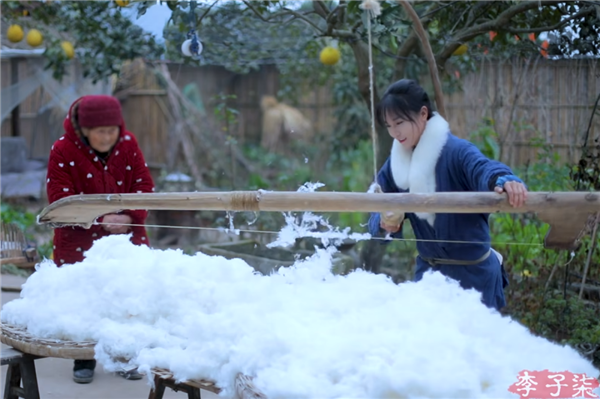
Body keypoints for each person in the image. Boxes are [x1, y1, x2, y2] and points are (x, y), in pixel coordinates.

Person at [367, 79, 528, 312]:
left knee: (478, 346)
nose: (394, 132)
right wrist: (384, 221)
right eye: (389, 125)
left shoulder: (456, 151)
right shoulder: (396, 165)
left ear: (423, 114)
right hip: (429, 278)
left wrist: (506, 181)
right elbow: (376, 206)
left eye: (399, 122)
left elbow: (484, 169)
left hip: (475, 278)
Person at [46, 94, 155, 384]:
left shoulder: (128, 144)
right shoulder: (62, 149)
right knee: (85, 300)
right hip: (78, 241)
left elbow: (144, 183)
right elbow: (59, 197)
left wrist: (130, 216)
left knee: (128, 296)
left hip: (126, 238)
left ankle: (124, 355)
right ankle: (84, 357)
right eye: (100, 131)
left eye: (112, 130)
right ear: (83, 129)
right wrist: (100, 219)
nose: (108, 137)